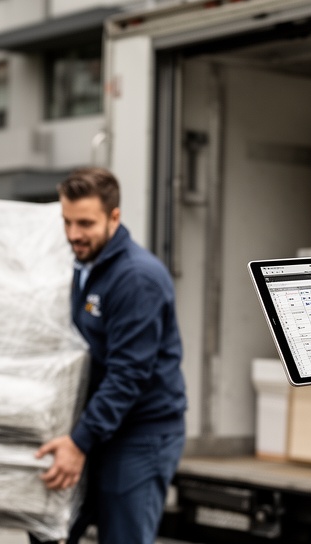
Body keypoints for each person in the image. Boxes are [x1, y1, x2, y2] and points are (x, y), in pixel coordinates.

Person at [31, 167, 187, 544]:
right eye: (67, 222)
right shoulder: (87, 267)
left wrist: (79, 442)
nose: (73, 235)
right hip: (98, 426)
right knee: (47, 530)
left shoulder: (136, 278)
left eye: (85, 223)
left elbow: (128, 375)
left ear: (114, 217)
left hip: (139, 434)